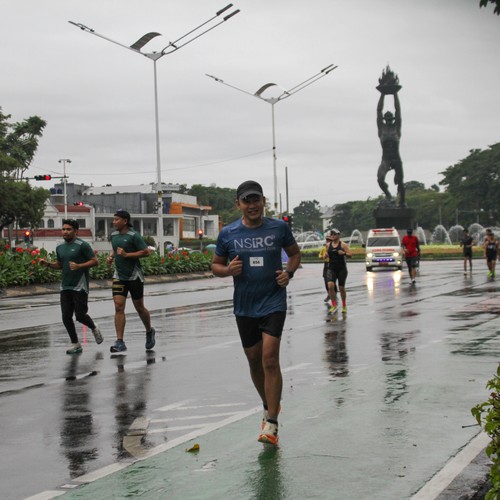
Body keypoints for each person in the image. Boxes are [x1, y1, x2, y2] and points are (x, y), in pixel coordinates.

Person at [211, 180, 301, 446]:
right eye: (247, 201)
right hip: (245, 305)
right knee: (254, 361)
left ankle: (272, 423)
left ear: (263, 201)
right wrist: (227, 270)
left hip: (273, 301)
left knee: (269, 358)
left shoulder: (279, 228)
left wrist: (288, 273)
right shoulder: (228, 233)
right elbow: (215, 265)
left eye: (256, 200)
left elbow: (294, 254)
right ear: (238, 204)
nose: (252, 205)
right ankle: (268, 404)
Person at [39, 219, 102, 354]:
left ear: (75, 231)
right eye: (63, 229)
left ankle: (94, 327)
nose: (65, 232)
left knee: (80, 315)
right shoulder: (60, 247)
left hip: (80, 285)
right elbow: (60, 265)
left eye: (68, 229)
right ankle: (75, 344)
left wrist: (79, 266)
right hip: (65, 285)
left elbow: (95, 261)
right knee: (66, 316)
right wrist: (48, 264)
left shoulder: (82, 245)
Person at [106, 210, 156, 353]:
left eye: (116, 219)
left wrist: (127, 255)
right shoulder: (113, 235)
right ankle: (120, 341)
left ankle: (149, 331)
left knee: (139, 307)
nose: (114, 222)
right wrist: (111, 257)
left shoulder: (134, 236)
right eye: (113, 219)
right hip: (119, 276)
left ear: (125, 221)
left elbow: (146, 252)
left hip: (134, 276)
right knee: (118, 307)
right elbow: (115, 249)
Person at [377, 93, 405, 207]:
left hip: (396, 158)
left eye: (390, 118)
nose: (388, 119)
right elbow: (378, 111)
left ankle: (402, 202)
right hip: (386, 159)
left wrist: (395, 94)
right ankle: (388, 195)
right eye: (386, 118)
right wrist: (382, 94)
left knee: (401, 183)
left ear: (393, 119)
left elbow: (398, 110)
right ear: (384, 119)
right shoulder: (381, 128)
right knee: (380, 179)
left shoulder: (396, 128)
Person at [322, 229, 352, 314]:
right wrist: (325, 255)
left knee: (341, 288)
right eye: (331, 234)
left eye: (334, 234)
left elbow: (350, 254)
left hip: (341, 269)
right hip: (331, 268)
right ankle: (334, 305)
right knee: (330, 286)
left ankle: (344, 305)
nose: (332, 236)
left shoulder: (343, 245)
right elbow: (325, 254)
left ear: (338, 235)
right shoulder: (328, 245)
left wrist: (344, 253)